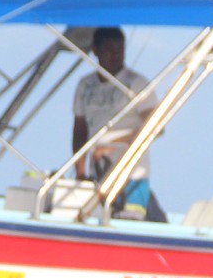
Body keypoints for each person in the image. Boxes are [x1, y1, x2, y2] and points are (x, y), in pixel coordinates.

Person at [71, 26, 165, 222]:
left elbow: (157, 128)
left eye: (119, 50)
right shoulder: (85, 85)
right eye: (109, 49)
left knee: (129, 220)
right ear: (96, 50)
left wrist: (113, 145)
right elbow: (80, 130)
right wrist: (80, 172)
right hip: (99, 175)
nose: (115, 55)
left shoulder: (137, 83)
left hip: (132, 176)